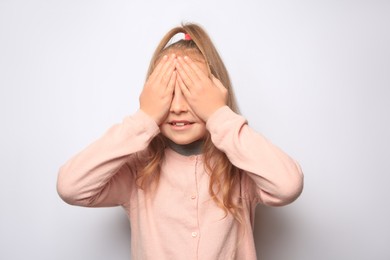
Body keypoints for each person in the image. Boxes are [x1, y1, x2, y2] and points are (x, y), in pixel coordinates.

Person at [57, 23, 304, 260]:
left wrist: (219, 114)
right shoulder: (137, 171)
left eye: (190, 94)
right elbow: (71, 187)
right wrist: (144, 119)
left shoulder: (239, 167)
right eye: (167, 95)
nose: (177, 108)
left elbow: (288, 186)